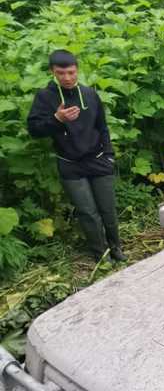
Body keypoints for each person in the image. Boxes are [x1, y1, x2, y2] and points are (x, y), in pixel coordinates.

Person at [27, 49, 126, 263]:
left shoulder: (90, 94)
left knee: (108, 209)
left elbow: (102, 127)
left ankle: (116, 247)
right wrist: (56, 119)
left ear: (77, 70)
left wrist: (109, 155)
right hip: (70, 164)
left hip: (99, 159)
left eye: (71, 72)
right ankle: (101, 254)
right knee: (87, 212)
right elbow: (34, 130)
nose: (67, 78)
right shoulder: (45, 97)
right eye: (61, 73)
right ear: (53, 72)